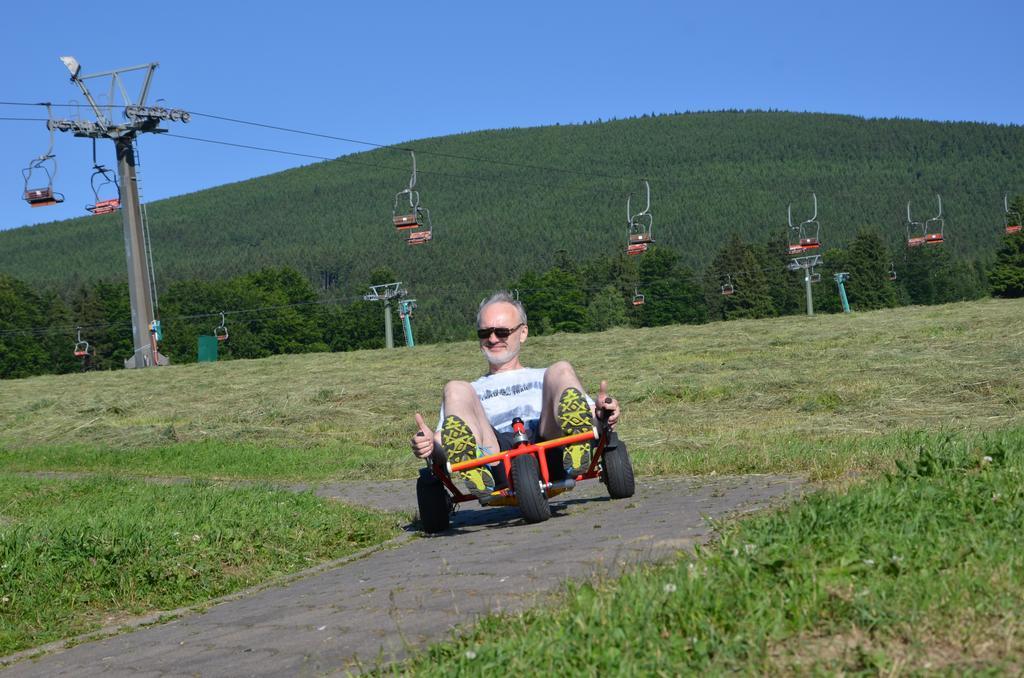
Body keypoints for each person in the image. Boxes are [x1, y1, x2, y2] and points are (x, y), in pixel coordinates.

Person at [411, 291, 620, 497]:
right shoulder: (469, 392)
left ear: (523, 333)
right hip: (494, 458)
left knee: (561, 368)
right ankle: (472, 466)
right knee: (454, 388)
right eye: (484, 333)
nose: (492, 339)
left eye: (501, 332)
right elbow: (443, 441)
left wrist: (604, 414)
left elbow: (592, 415)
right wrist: (430, 445)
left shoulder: (545, 377)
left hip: (549, 446)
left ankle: (576, 442)